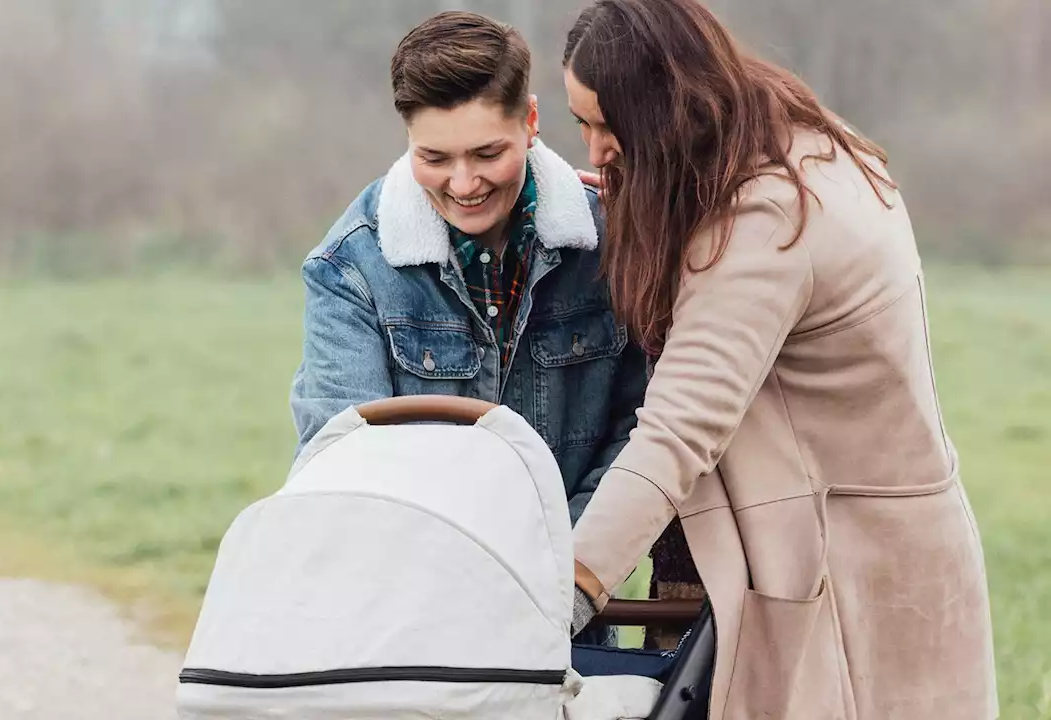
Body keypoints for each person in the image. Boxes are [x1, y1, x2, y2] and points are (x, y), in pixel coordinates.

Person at [559, 0, 999, 717]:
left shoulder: (766, 219)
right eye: (583, 123)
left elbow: (676, 433)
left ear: (664, 114)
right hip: (884, 548)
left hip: (851, 570)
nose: (597, 150)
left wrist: (563, 592)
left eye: (612, 127)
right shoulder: (796, 142)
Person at [288, 11, 649, 644]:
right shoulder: (350, 267)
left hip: (568, 617)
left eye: (488, 153)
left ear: (531, 122)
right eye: (435, 157)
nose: (464, 183)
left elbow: (641, 433)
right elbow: (341, 456)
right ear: (407, 139)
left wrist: (559, 576)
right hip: (407, 622)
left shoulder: (615, 246)